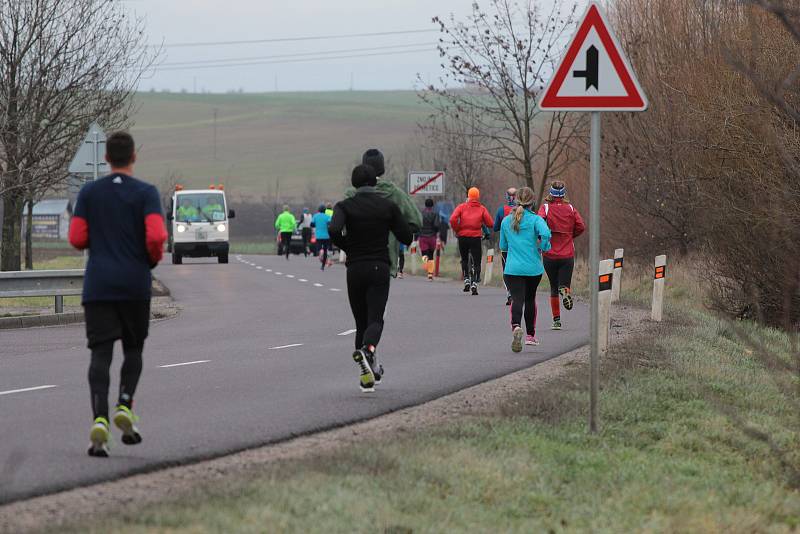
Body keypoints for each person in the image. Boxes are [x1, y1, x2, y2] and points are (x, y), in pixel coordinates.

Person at [68, 131, 168, 457]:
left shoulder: (89, 193)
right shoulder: (146, 193)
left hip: (98, 286)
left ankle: (99, 421)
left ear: (106, 158)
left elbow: (76, 237)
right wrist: (150, 260)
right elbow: (156, 236)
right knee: (133, 349)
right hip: (134, 285)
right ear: (134, 157)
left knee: (100, 355)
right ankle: (124, 406)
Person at [330, 164, 413, 392]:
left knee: (361, 322)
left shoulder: (344, 206)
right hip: (379, 266)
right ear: (375, 182)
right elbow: (406, 235)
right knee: (376, 319)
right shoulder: (387, 206)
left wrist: (347, 245)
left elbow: (334, 229)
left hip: (355, 268)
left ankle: (367, 375)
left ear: (354, 183)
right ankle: (369, 350)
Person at [345, 149, 422, 278]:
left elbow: (338, 226)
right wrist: (396, 232)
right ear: (382, 168)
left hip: (356, 260)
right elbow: (416, 221)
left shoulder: (350, 194)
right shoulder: (395, 194)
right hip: (384, 261)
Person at [500, 187, 551, 352]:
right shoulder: (536, 220)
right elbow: (546, 234)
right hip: (532, 269)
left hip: (512, 269)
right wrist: (543, 247)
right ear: (533, 202)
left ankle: (516, 327)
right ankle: (530, 336)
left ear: (516, 200)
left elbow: (503, 247)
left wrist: (509, 262)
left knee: (517, 299)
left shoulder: (506, 221)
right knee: (530, 299)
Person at [538, 181, 585, 330]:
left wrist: (542, 238)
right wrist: (570, 236)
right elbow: (581, 226)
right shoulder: (571, 208)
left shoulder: (545, 208)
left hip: (550, 254)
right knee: (564, 285)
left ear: (550, 194)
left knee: (553, 287)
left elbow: (538, 224)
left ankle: (556, 321)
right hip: (567, 254)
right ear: (563, 194)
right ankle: (565, 291)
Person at [450, 187, 493, 295]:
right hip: (475, 238)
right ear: (478, 197)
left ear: (468, 196)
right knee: (477, 260)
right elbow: (490, 223)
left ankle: (466, 279)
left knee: (464, 259)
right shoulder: (482, 208)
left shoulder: (461, 207)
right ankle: (475, 282)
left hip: (463, 237)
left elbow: (452, 219)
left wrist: (457, 229)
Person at [493, 187, 518, 305]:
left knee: (507, 269)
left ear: (507, 197)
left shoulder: (501, 210)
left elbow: (495, 227)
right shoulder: (522, 210)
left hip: (506, 246)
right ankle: (518, 292)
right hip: (520, 246)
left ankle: (509, 293)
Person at [419, 198, 441, 281]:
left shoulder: (421, 213)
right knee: (431, 255)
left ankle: (426, 267)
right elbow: (436, 225)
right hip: (432, 236)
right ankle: (430, 274)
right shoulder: (435, 213)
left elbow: (419, 224)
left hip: (423, 237)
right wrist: (436, 233)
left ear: (425, 204)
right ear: (432, 205)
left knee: (424, 254)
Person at [311, 204, 332, 270]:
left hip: (318, 235)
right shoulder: (327, 216)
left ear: (319, 210)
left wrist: (317, 225)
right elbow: (330, 224)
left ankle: (321, 251)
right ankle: (323, 266)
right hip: (326, 236)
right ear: (325, 210)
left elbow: (312, 224)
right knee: (326, 250)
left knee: (318, 248)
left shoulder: (315, 216)